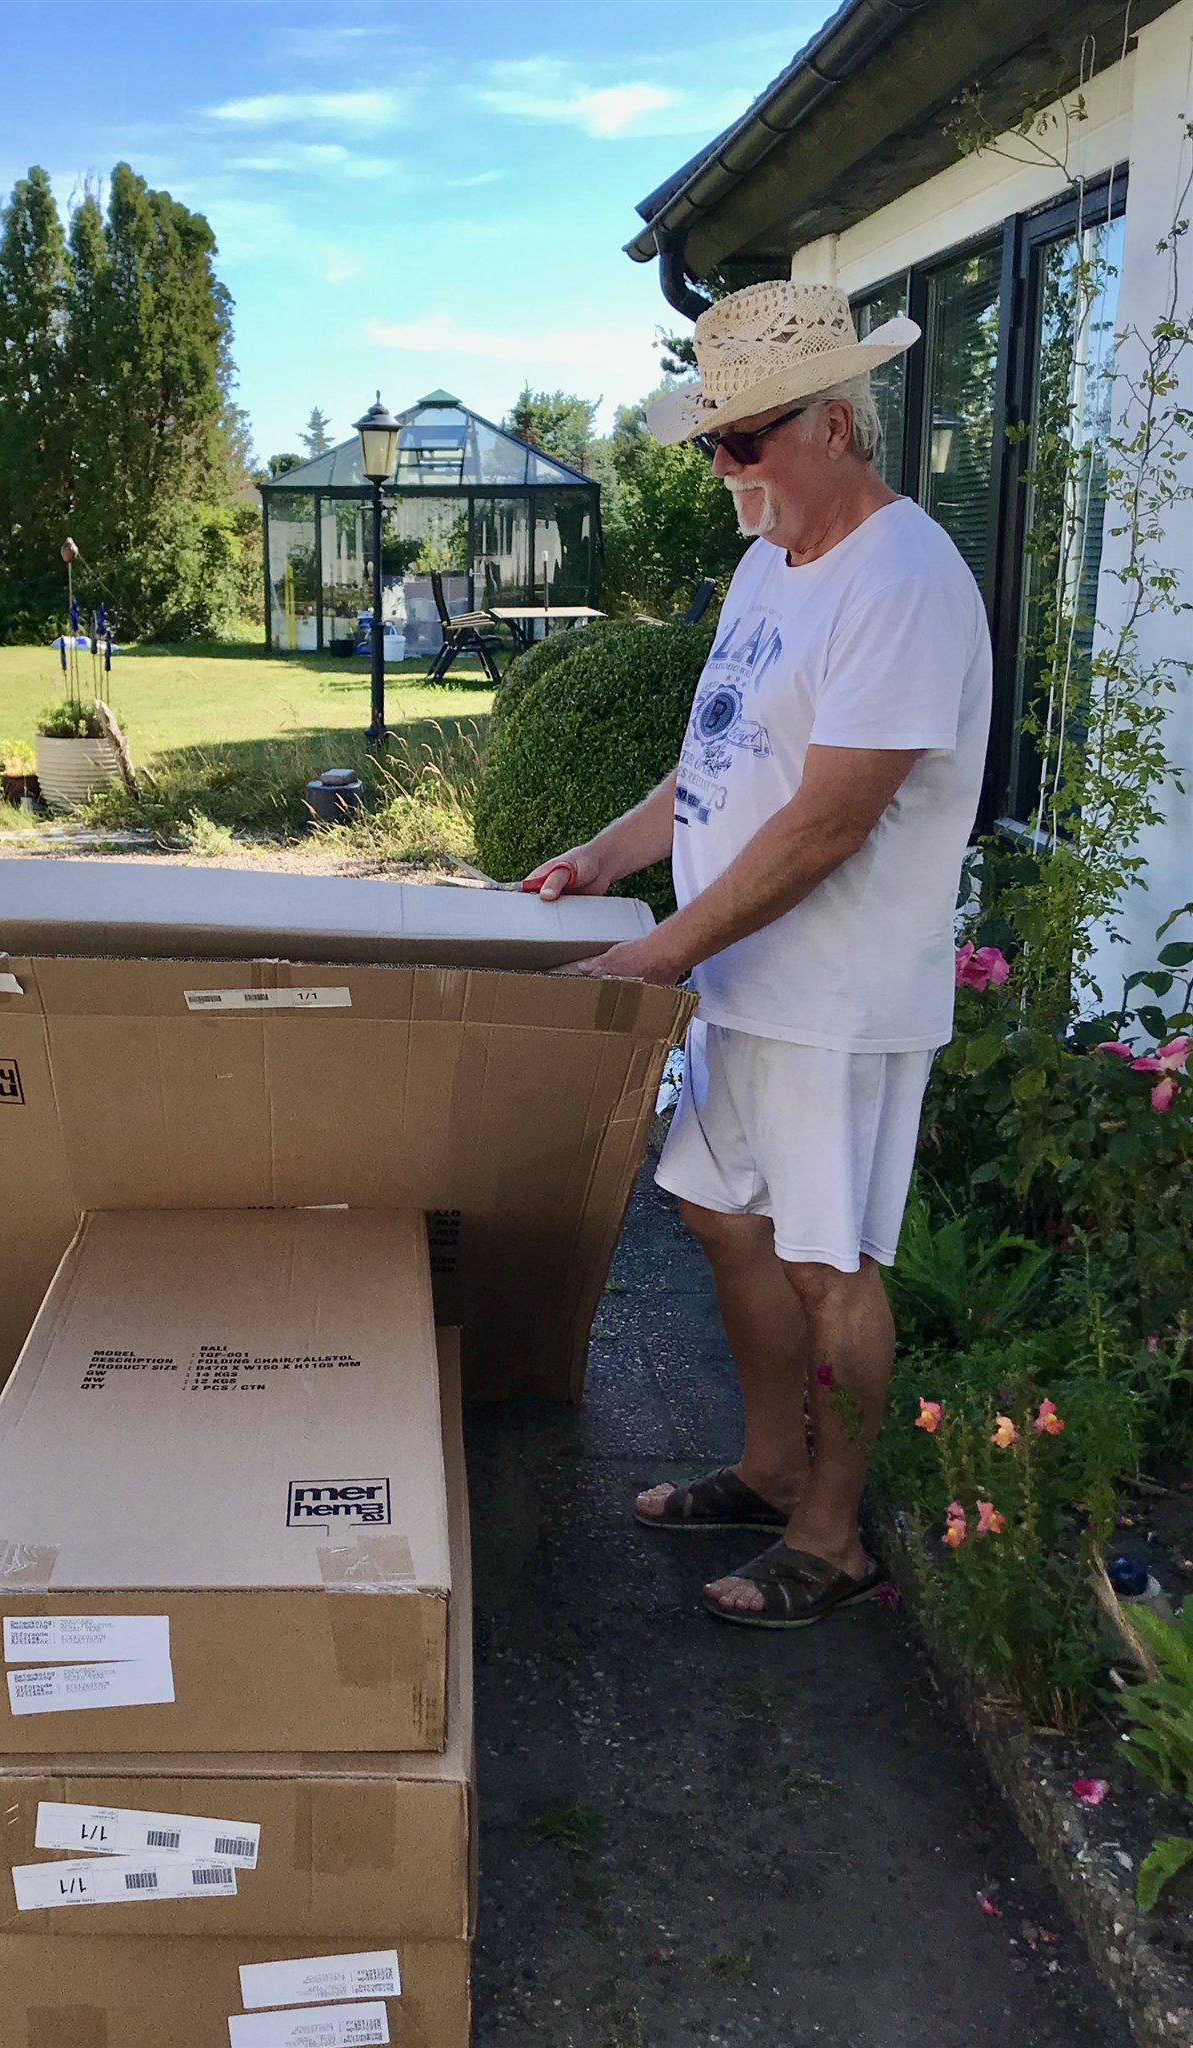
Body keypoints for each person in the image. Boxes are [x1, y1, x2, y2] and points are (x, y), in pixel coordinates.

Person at [525, 280, 992, 1629]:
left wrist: (653, 957)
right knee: (721, 1219)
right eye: (711, 444)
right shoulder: (765, 567)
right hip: (743, 980)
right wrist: (601, 860)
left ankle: (831, 1539)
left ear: (835, 424)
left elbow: (831, 821)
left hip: (833, 997)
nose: (725, 469)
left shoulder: (903, 581)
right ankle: (767, 1468)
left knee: (825, 1263)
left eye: (745, 440)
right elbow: (717, 759)